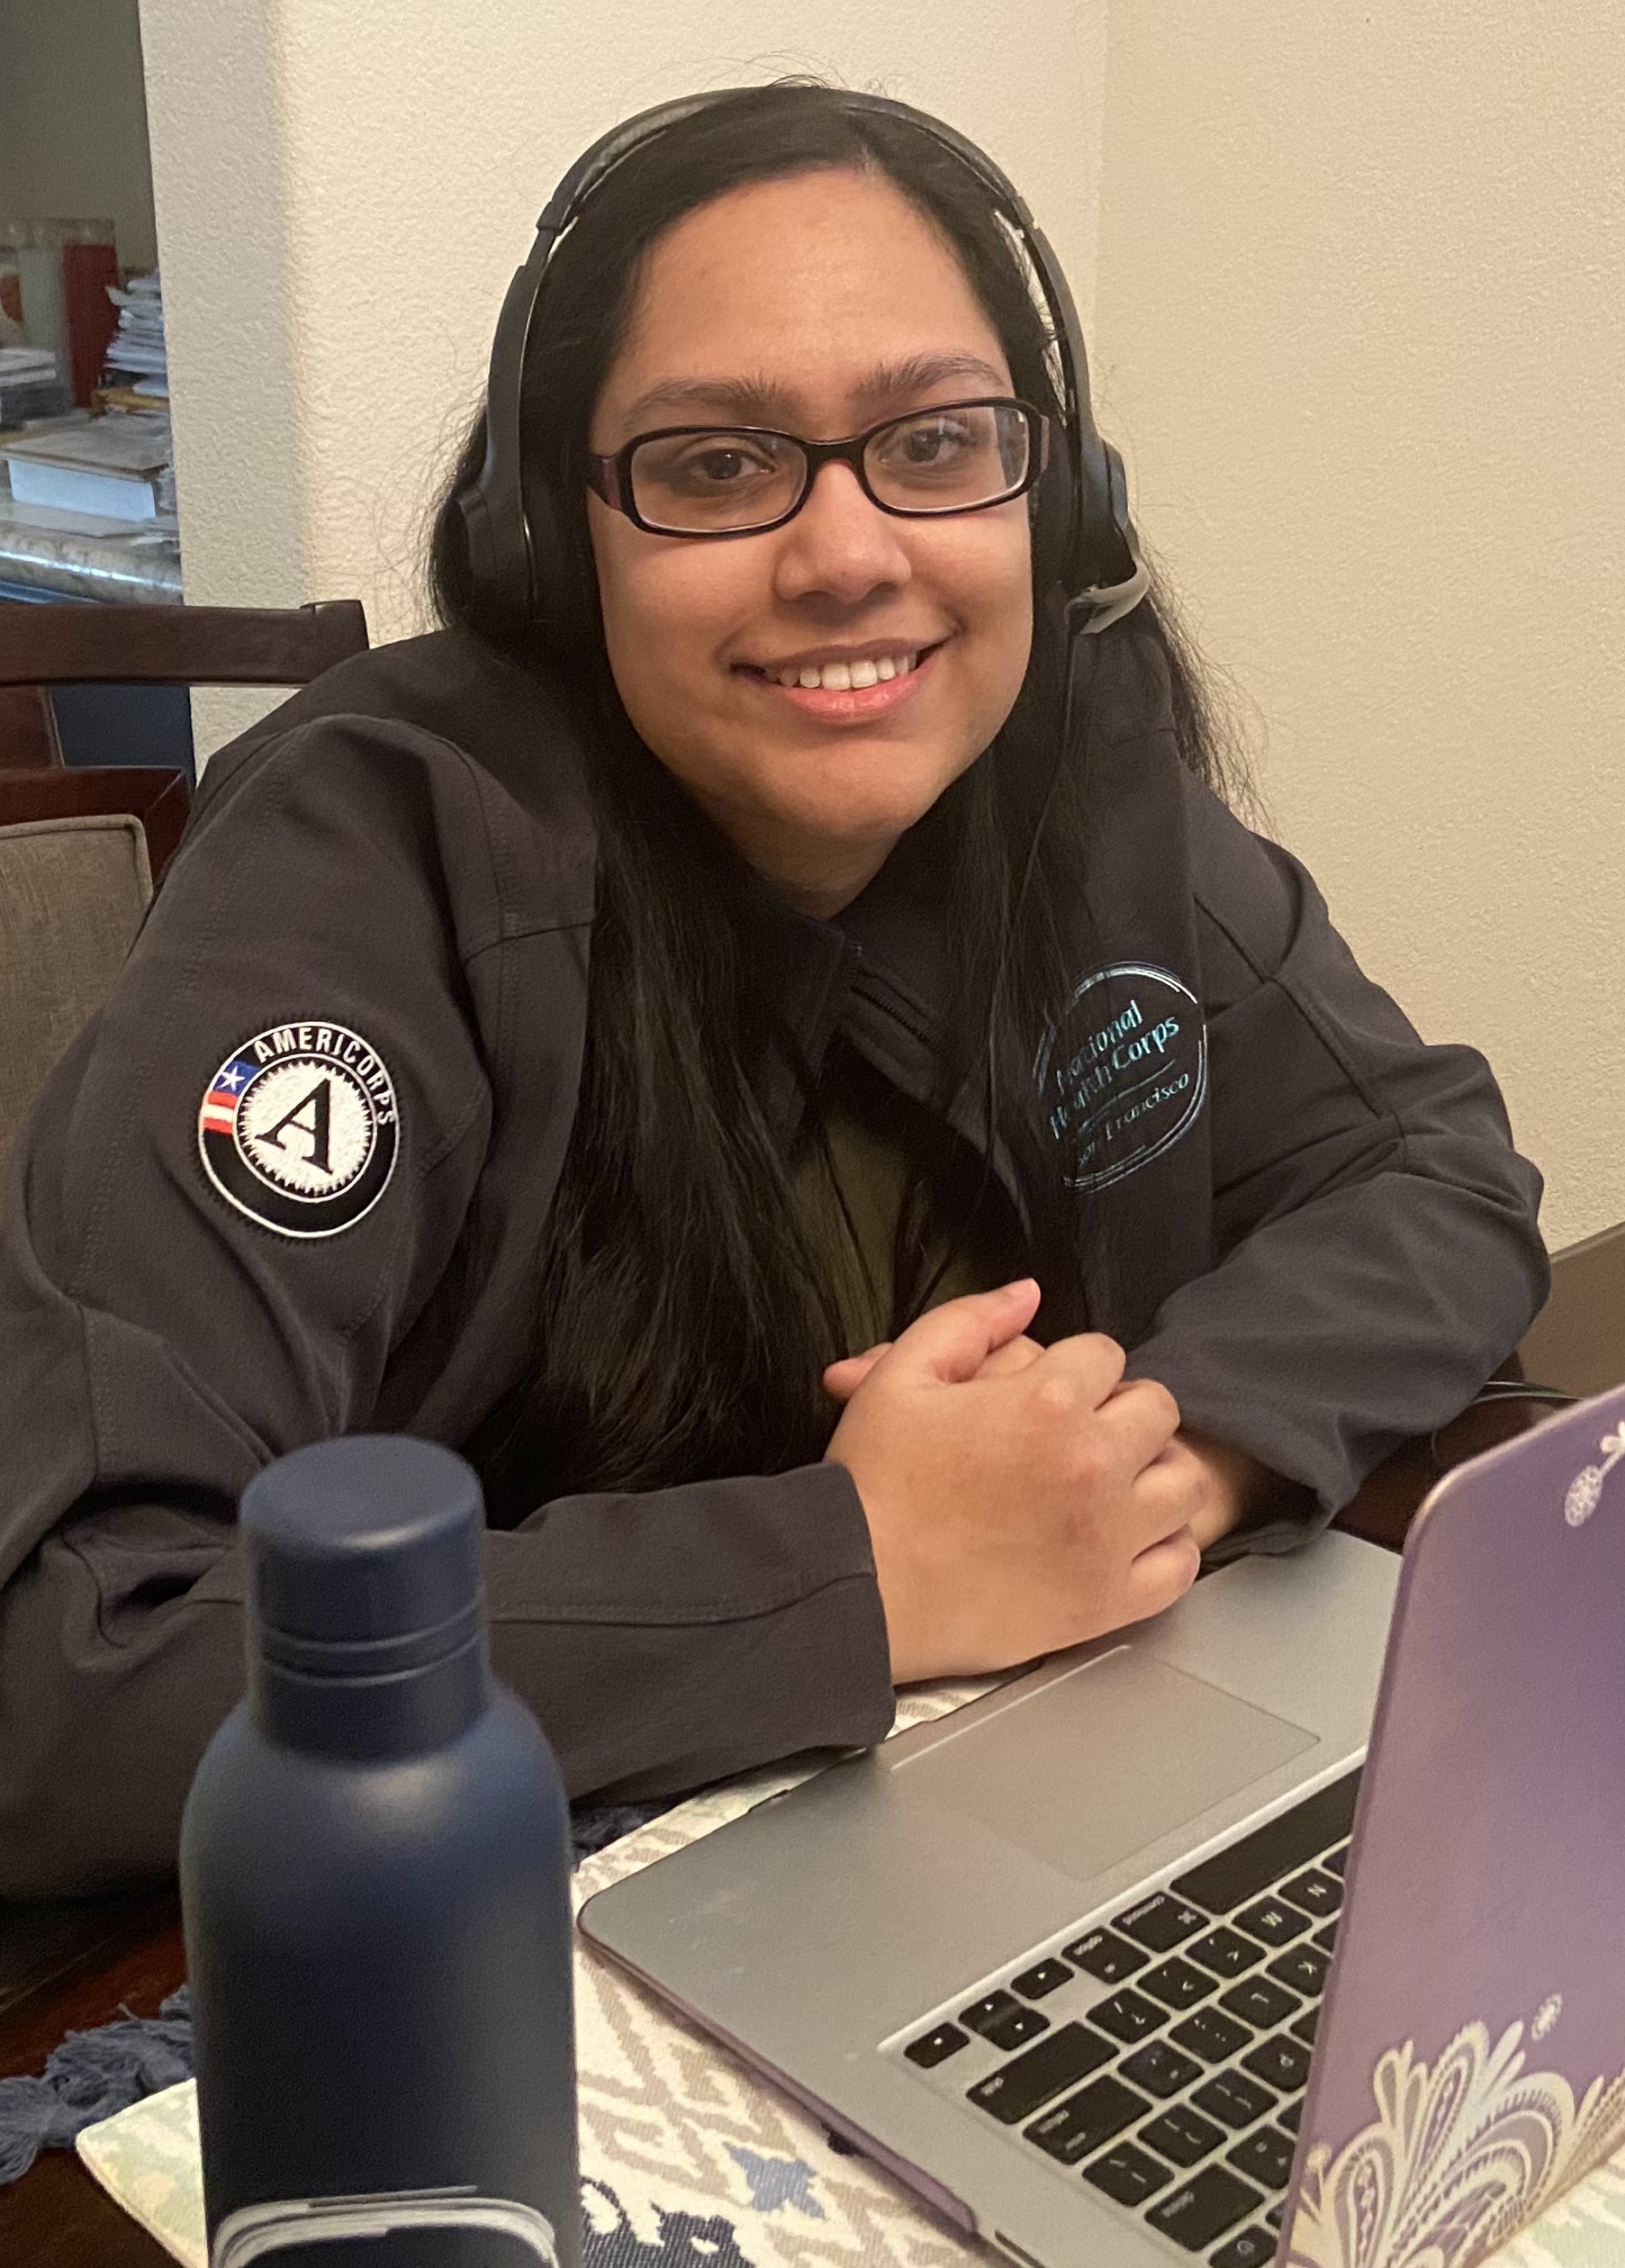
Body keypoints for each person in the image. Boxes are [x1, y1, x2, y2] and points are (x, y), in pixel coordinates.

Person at [0, 85, 1547, 1898]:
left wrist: (1151, 1468)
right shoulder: (368, 857)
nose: (844, 556)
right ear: (550, 533)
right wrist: (858, 1572)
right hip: (470, 1933)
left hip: (989, 1832)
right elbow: (76, 1658)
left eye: (934, 439)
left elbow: (1431, 1172)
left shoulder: (1074, 769)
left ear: (1050, 486)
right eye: (716, 463)